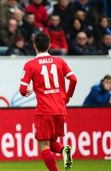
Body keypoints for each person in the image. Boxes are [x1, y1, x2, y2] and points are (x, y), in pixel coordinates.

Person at [19, 32, 77, 171]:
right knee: (50, 142)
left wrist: (24, 92)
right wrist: (68, 95)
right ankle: (64, 150)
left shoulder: (30, 65)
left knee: (43, 145)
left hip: (44, 110)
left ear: (34, 46)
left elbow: (22, 89)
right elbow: (74, 79)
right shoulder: (60, 61)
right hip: (60, 110)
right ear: (50, 46)